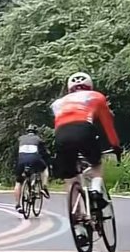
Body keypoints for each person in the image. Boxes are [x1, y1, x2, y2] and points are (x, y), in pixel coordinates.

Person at [51, 72, 121, 207]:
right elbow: (108, 126)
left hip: (61, 134)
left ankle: (77, 214)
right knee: (96, 163)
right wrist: (116, 146)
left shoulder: (58, 103)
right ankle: (95, 190)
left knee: (70, 177)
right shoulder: (97, 96)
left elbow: (60, 123)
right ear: (89, 86)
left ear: (69, 88)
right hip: (84, 129)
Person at [14, 125, 52, 214]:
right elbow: (45, 153)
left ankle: (18, 205)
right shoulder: (38, 139)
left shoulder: (21, 138)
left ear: (27, 131)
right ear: (36, 132)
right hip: (34, 159)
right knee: (44, 169)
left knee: (18, 182)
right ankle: (44, 187)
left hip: (21, 160)